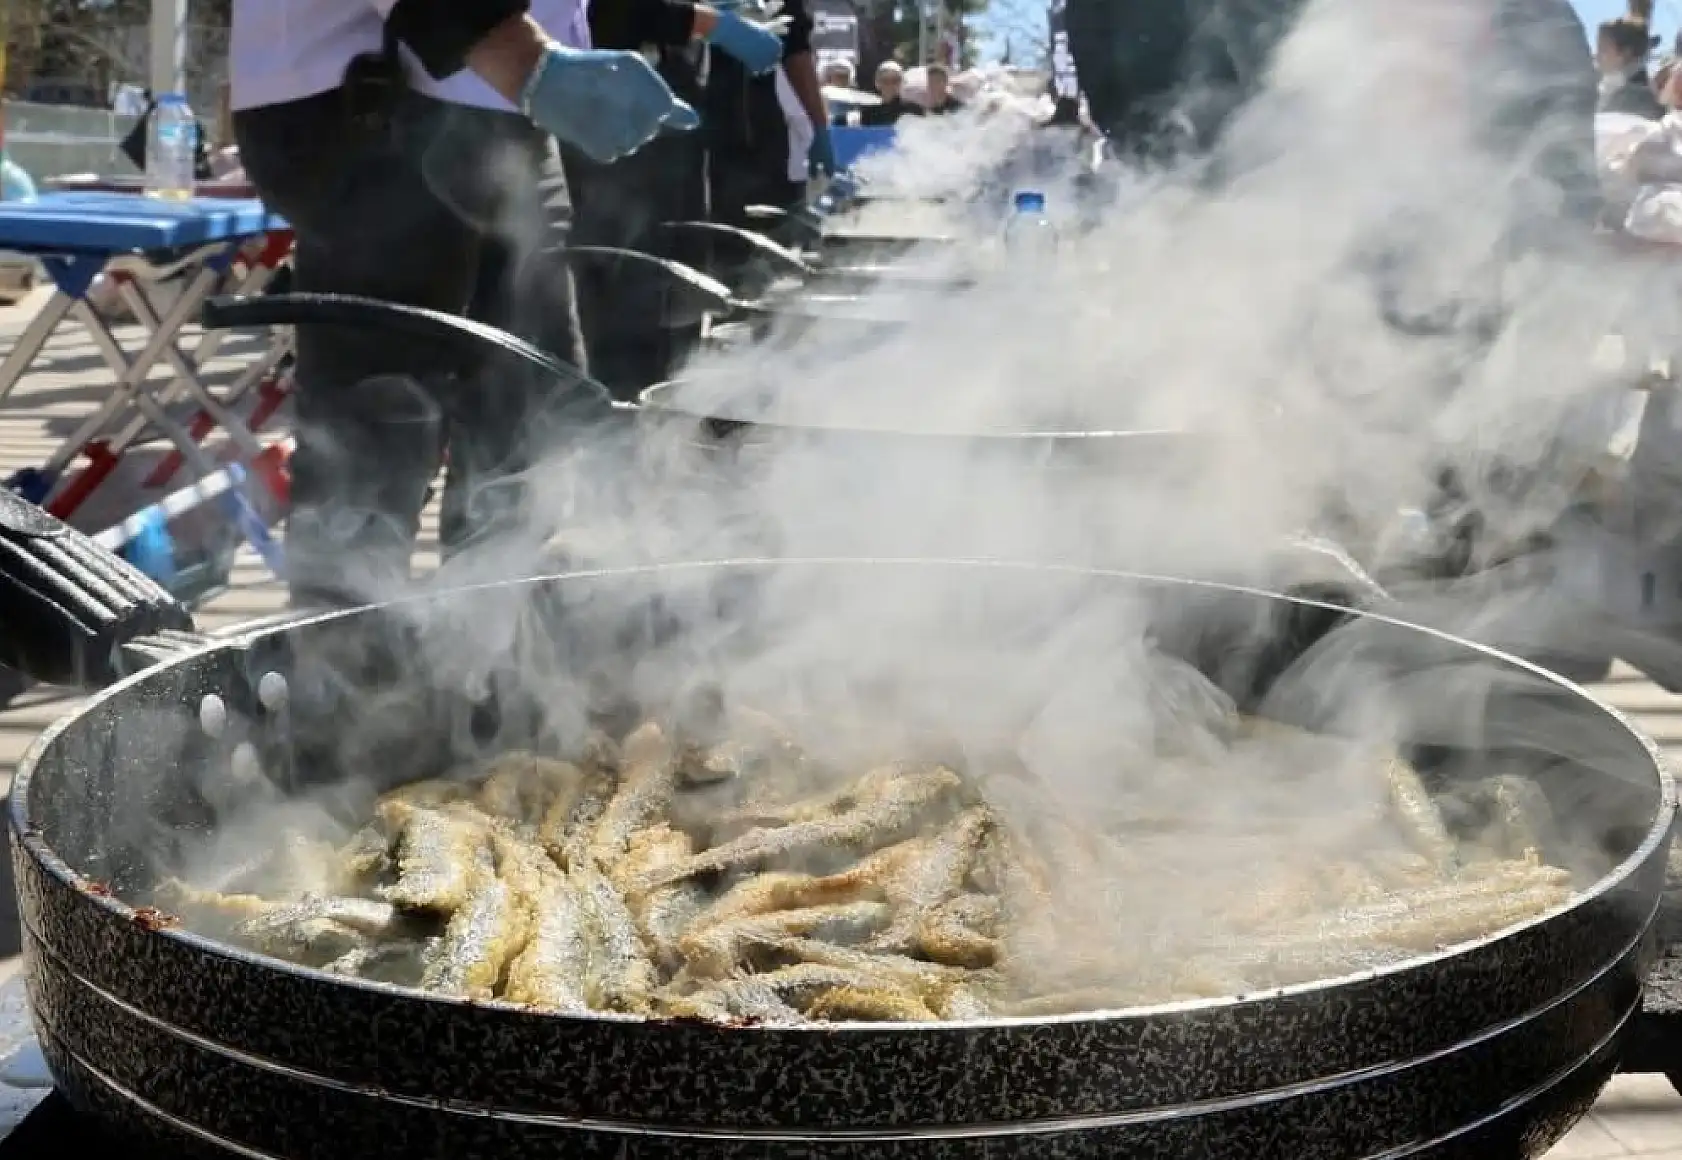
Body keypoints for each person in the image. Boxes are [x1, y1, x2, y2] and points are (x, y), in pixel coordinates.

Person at [230, 1, 698, 605]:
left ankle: (494, 666)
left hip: (510, 116)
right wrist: (529, 62)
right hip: (381, 107)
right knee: (373, 450)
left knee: (526, 423)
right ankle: (342, 681)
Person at [562, 0, 787, 400]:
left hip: (673, 138)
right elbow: (614, 13)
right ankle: (622, 407)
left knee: (673, 281)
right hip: (618, 135)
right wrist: (712, 22)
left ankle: (667, 391)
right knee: (624, 283)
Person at [705, 0, 830, 235]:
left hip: (762, 124)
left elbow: (796, 51)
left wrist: (819, 125)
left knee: (773, 226)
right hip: (698, 117)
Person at [1598, 17, 1666, 119]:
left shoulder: (1638, 97)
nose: (1597, 55)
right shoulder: (1613, 88)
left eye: (1603, 49)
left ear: (1625, 53)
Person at [858, 61, 924, 127]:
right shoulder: (868, 112)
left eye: (895, 81)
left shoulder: (914, 110)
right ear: (877, 83)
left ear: (903, 83)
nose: (890, 85)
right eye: (885, 81)